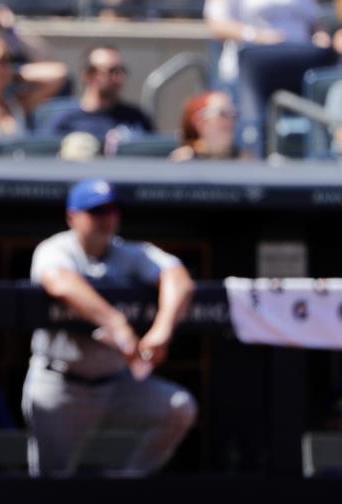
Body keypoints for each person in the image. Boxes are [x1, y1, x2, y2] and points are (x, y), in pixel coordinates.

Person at [21, 179, 197, 478]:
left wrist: (162, 329)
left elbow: (177, 276)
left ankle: (124, 483)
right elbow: (61, 283)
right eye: (96, 210)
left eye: (112, 210)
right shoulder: (56, 248)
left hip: (117, 383)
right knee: (50, 482)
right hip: (61, 384)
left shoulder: (130, 252)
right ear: (72, 217)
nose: (106, 218)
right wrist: (116, 323)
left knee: (178, 407)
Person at [42, 45, 152, 146]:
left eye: (121, 71)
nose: (119, 78)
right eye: (112, 71)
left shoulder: (136, 117)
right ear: (88, 75)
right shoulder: (66, 120)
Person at [204, 0, 331, 87]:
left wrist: (321, 36)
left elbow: (314, 22)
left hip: (301, 68)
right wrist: (256, 36)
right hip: (250, 72)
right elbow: (217, 25)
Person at [170, 90, 238, 161]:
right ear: (200, 122)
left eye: (233, 114)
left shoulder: (244, 159)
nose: (230, 121)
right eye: (222, 114)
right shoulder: (185, 160)